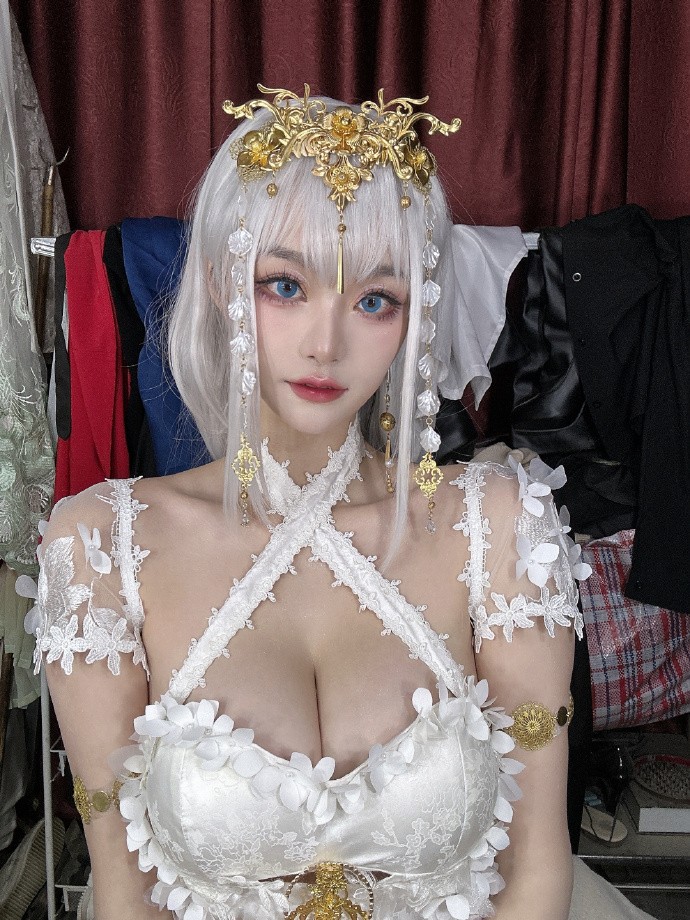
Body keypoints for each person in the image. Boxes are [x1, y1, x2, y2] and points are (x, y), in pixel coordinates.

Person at [27, 86, 656, 920]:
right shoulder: (99, 548)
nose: (326, 343)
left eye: (374, 300)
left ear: (415, 313)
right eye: (285, 286)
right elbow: (122, 889)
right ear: (220, 284)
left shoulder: (501, 527)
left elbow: (538, 865)